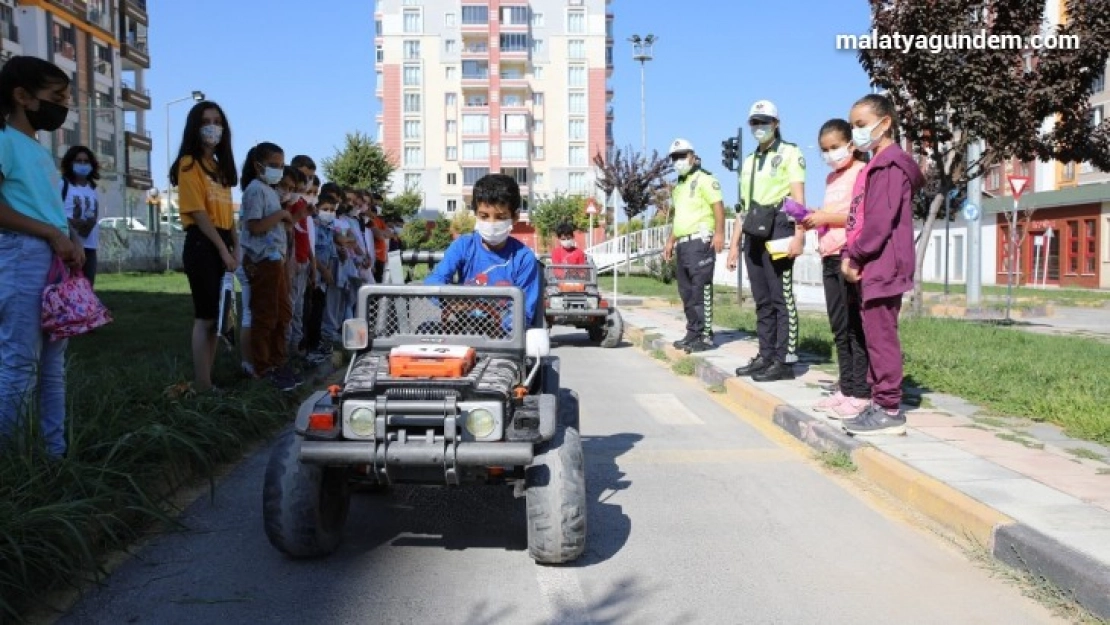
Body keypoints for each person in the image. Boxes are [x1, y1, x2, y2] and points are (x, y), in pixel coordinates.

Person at [0, 57, 79, 458]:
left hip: (51, 260)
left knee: (52, 368)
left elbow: (44, 205)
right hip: (22, 256)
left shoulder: (36, 149)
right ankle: (12, 466)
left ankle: (54, 455)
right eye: (56, 97)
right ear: (22, 96)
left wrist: (68, 238)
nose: (63, 106)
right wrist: (51, 233)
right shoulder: (4, 141)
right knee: (19, 364)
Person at [840, 94, 924, 437]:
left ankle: (889, 408)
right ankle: (879, 402)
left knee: (881, 336)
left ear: (885, 123)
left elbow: (879, 222)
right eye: (853, 126)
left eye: (861, 125)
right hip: (877, 263)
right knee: (874, 334)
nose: (856, 133)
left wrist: (855, 254)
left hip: (883, 263)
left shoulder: (890, 165)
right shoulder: (880, 163)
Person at [727, 100, 806, 382]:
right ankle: (766, 354)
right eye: (755, 122)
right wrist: (734, 244)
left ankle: (785, 360)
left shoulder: (789, 153)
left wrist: (799, 234)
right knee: (761, 299)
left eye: (764, 121)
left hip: (780, 227)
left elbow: (798, 199)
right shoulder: (748, 161)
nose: (759, 127)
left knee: (780, 297)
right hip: (753, 231)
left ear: (776, 123)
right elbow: (742, 208)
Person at [802, 119, 871, 419]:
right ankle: (846, 387)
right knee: (839, 327)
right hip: (828, 255)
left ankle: (861, 392)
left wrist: (826, 217)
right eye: (824, 150)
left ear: (851, 145)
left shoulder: (862, 172)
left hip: (848, 254)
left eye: (835, 147)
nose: (830, 154)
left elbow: (859, 216)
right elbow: (833, 214)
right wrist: (817, 217)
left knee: (856, 327)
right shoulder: (831, 178)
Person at [173, 100, 238, 394]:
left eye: (217, 121)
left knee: (217, 317)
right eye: (205, 121)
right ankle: (202, 384)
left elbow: (228, 213)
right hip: (202, 243)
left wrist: (234, 245)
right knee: (205, 316)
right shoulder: (190, 164)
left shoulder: (220, 169)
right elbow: (199, 213)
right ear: (195, 128)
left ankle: (206, 382)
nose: (212, 127)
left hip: (223, 241)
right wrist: (222, 250)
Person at [426, 173, 540, 329]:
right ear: (475, 214)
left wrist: (496, 329)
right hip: (464, 328)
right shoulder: (463, 246)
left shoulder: (524, 258)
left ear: (515, 217)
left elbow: (524, 312)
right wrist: (450, 300)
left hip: (503, 337)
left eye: (500, 217)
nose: (491, 223)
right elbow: (434, 281)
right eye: (484, 216)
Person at [239, 142, 298, 391]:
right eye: (274, 166)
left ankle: (278, 361)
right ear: (258, 165)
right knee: (265, 315)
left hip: (277, 260)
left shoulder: (270, 191)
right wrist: (282, 216)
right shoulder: (255, 190)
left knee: (283, 313)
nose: (279, 171)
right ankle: (262, 367)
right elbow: (255, 226)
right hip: (263, 260)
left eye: (282, 166)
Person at [662, 138, 726, 354]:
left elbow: (718, 206)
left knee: (701, 289)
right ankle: (692, 332)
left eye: (682, 156)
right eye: (674, 157)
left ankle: (705, 336)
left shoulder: (705, 178)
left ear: (692, 156)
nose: (678, 160)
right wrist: (670, 241)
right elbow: (679, 217)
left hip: (701, 241)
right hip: (683, 243)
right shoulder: (679, 186)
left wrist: (719, 233)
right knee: (686, 291)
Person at [60, 145, 101, 286]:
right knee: (68, 289)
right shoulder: (63, 184)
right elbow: (55, 212)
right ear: (70, 163)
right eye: (78, 161)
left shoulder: (93, 188)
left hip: (90, 246)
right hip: (69, 247)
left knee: (88, 290)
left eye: (86, 161)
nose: (82, 164)